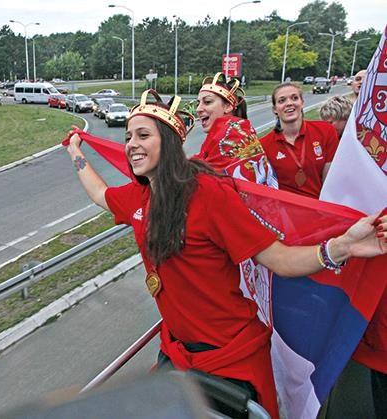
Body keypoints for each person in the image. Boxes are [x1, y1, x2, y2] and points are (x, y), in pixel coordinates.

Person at [65, 89, 386, 418]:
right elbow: (101, 194)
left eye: (143, 135)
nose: (131, 144)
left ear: (169, 142)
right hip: (177, 351)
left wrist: (342, 246)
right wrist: (76, 152)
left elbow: (280, 260)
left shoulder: (209, 194)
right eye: (129, 136)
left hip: (230, 356)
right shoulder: (139, 196)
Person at [195, 72, 277, 187]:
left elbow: (205, 180)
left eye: (207, 102)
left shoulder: (231, 134)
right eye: (198, 103)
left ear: (228, 106)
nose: (198, 109)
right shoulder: (239, 129)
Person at [260, 82, 340, 198]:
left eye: (294, 98)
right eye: (282, 101)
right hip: (286, 212)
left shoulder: (325, 131)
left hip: (321, 208)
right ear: (275, 109)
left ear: (302, 103)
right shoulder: (264, 145)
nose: (289, 103)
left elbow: (331, 181)